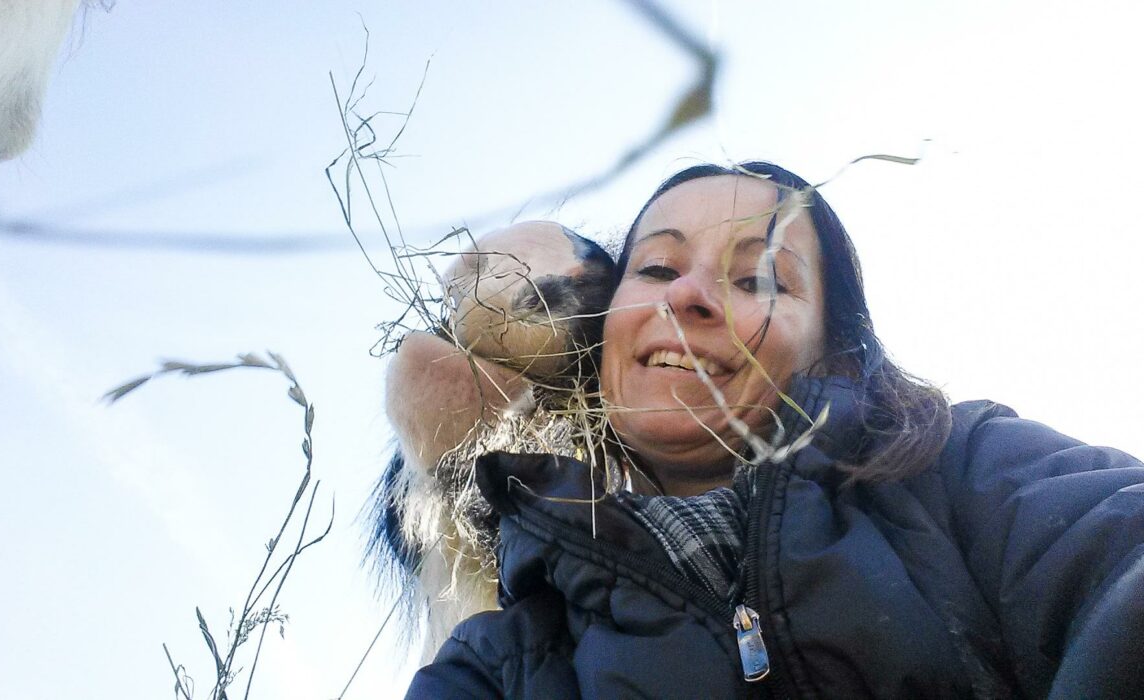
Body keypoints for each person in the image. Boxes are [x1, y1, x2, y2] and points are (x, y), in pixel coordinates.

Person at [383, 163, 1144, 698]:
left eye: (755, 278)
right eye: (652, 268)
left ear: (837, 353)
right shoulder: (502, 659)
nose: (687, 294)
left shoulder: (967, 473)